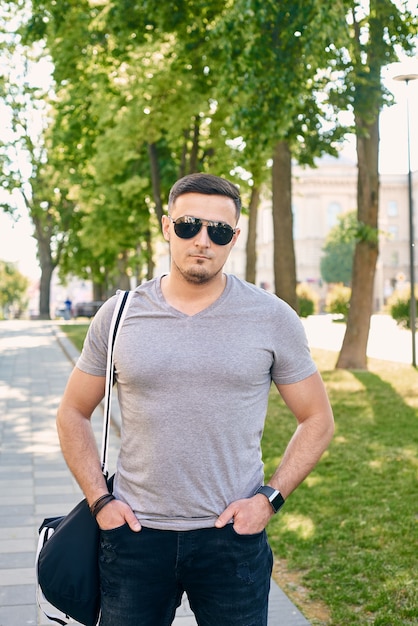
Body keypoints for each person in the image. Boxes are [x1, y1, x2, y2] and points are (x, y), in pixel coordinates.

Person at [56, 172, 334, 626]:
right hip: (134, 537)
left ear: (234, 238)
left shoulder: (271, 317)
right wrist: (100, 502)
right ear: (167, 227)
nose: (202, 240)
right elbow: (72, 411)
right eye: (189, 225)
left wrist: (269, 500)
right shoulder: (120, 314)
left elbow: (317, 418)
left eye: (218, 231)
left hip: (231, 540)